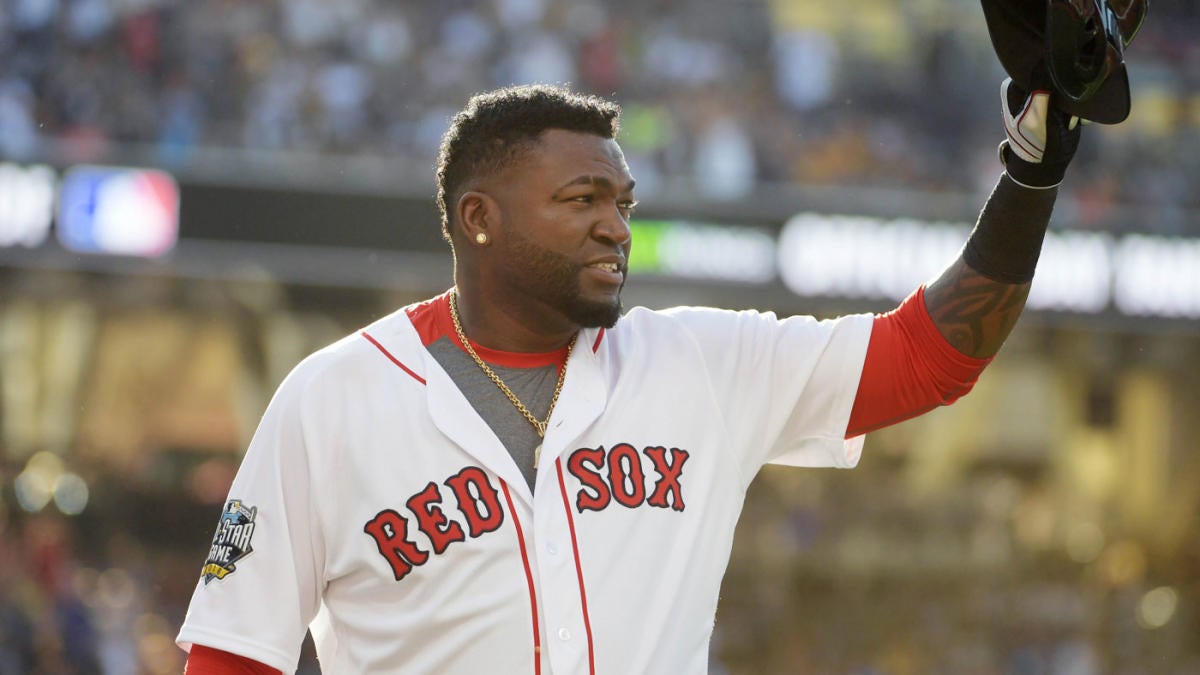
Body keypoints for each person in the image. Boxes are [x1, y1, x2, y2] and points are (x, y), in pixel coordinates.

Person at [177, 79, 1082, 674]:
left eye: (623, 203)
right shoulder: (330, 397)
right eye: (582, 200)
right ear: (479, 217)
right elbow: (231, 655)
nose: (617, 226)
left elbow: (931, 356)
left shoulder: (701, 361)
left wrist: (1032, 173)